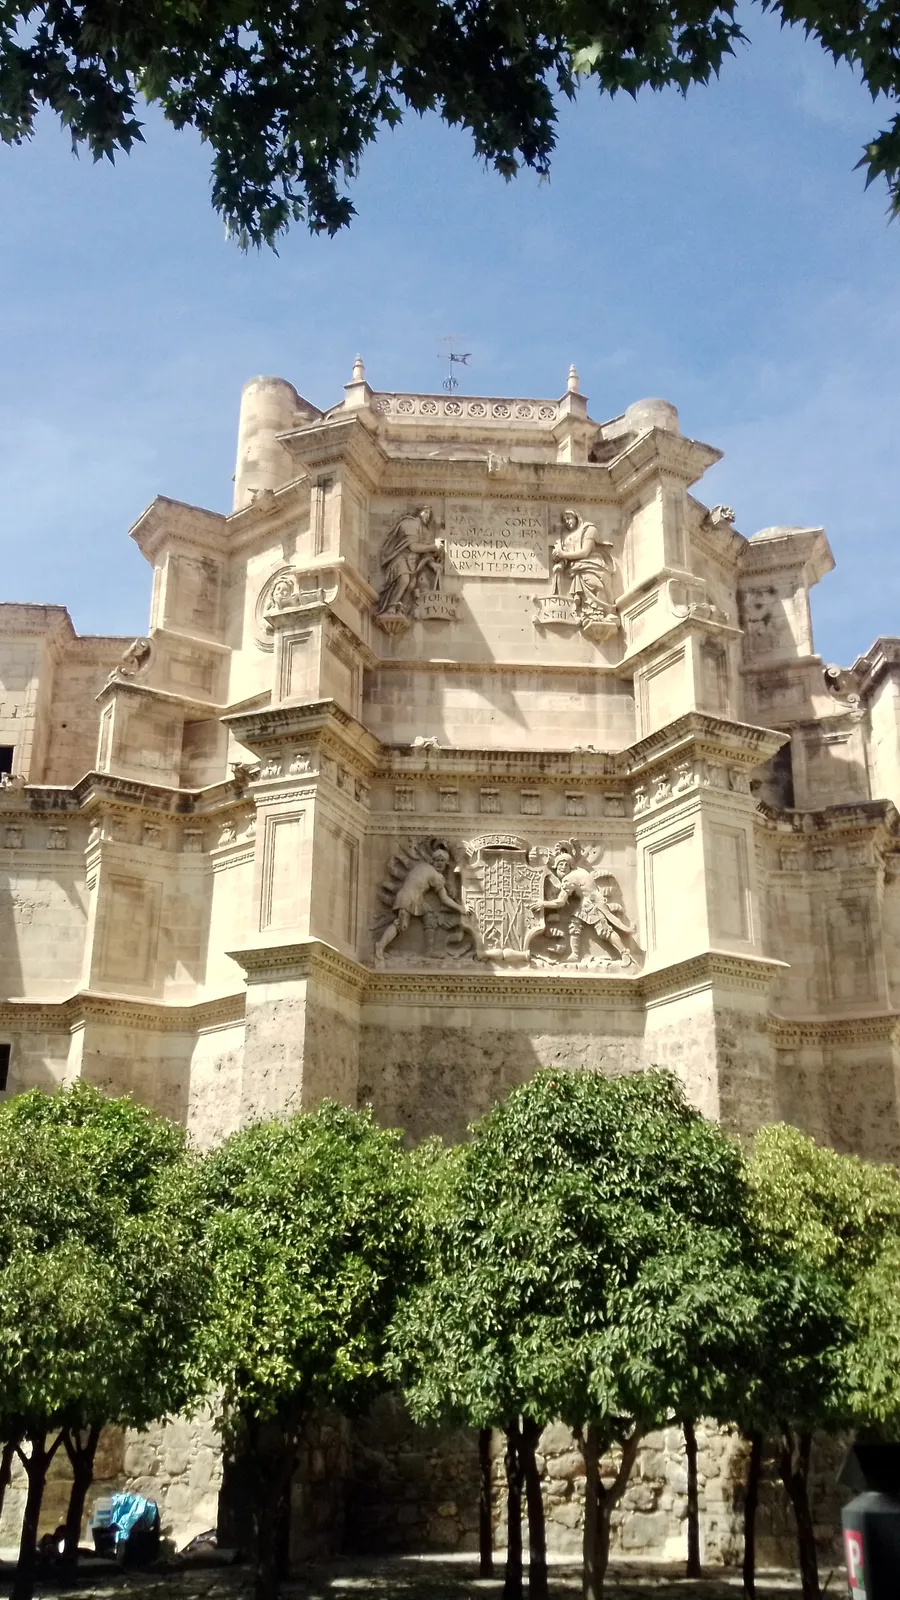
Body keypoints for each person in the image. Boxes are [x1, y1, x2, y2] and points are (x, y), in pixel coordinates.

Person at [534, 845, 634, 965]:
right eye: (560, 864)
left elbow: (560, 902)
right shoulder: (580, 871)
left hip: (591, 904)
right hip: (590, 901)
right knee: (574, 922)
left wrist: (543, 903)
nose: (563, 867)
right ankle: (575, 954)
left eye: (566, 864)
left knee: (604, 931)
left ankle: (624, 954)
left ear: (570, 865)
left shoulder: (570, 878)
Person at [375, 842, 467, 960]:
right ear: (433, 861)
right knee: (401, 925)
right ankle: (380, 945)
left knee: (430, 917)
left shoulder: (422, 866)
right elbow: (444, 899)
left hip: (415, 899)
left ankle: (429, 951)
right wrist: (460, 908)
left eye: (442, 861)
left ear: (446, 863)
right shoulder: (435, 875)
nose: (439, 863)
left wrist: (447, 884)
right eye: (437, 860)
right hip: (408, 898)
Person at [376, 507, 444, 617]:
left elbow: (424, 553)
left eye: (429, 514)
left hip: (414, 563)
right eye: (425, 512)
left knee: (411, 585)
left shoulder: (425, 531)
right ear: (418, 512)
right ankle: (391, 607)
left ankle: (401, 609)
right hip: (402, 559)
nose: (428, 516)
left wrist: (433, 565)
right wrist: (433, 546)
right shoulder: (409, 524)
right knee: (404, 580)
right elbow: (413, 547)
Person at [551, 509, 616, 623]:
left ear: (577, 517)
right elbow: (567, 556)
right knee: (586, 588)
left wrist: (562, 554)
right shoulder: (566, 537)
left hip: (594, 564)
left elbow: (585, 552)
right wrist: (560, 564)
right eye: (565, 520)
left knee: (595, 585)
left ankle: (606, 612)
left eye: (569, 518)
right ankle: (591, 615)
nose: (567, 522)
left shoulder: (589, 530)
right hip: (578, 568)